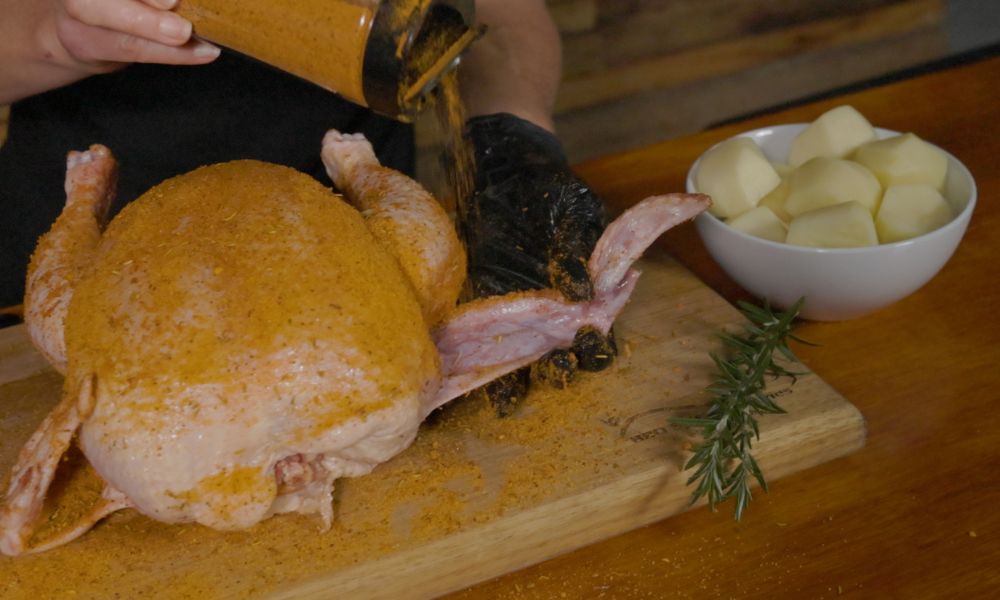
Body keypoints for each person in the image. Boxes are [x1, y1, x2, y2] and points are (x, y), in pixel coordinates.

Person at [0, 0, 613, 409]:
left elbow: (501, 12)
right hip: (96, 252)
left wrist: (515, 146)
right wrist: (50, 31)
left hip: (353, 238)